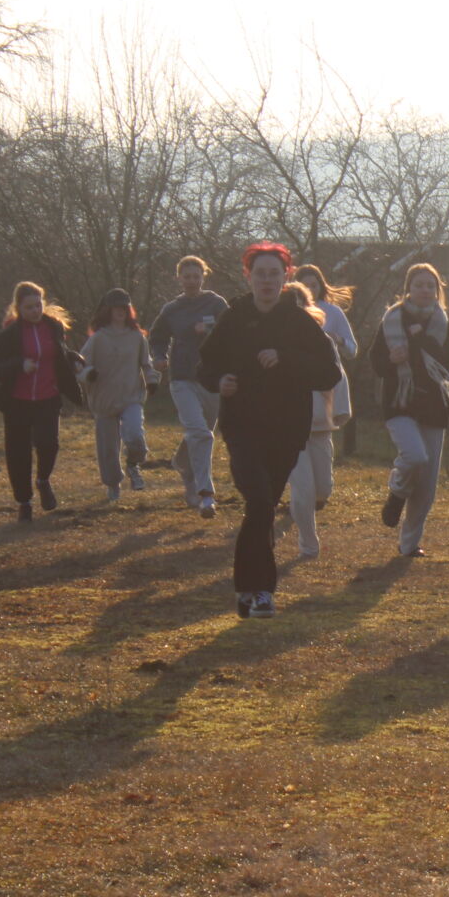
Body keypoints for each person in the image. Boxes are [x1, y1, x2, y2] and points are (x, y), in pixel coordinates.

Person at [197, 242, 342, 619]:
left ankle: (247, 590)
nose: (266, 280)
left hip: (286, 430)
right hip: (242, 428)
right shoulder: (234, 317)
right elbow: (206, 366)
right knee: (260, 501)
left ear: (285, 277)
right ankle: (261, 591)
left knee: (261, 509)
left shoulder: (299, 323)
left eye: (273, 274)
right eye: (259, 274)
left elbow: (330, 373)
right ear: (248, 276)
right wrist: (220, 381)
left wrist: (286, 358)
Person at [370, 262, 449, 558]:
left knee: (427, 486)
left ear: (437, 290)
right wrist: (392, 360)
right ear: (408, 288)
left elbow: (447, 367)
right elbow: (376, 363)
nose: (425, 290)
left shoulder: (443, 324)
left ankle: (409, 544)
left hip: (433, 407)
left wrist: (420, 339)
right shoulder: (392, 320)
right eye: (419, 285)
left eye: (430, 286)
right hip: (400, 403)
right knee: (415, 456)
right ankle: (397, 492)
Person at [0, 282, 84, 522]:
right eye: (29, 307)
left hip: (48, 397)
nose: (35, 311)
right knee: (18, 453)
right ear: (18, 308)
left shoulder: (53, 327)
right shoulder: (9, 335)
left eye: (38, 305)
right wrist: (19, 365)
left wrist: (74, 359)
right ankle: (24, 502)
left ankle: (43, 480)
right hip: (17, 402)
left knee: (49, 444)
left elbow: (60, 353)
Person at [149, 256, 230, 518]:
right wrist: (159, 357)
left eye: (196, 276)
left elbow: (231, 331)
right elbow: (157, 337)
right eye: (187, 277)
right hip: (182, 377)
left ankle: (182, 462)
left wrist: (208, 328)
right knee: (201, 433)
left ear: (203, 277)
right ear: (179, 278)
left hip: (211, 378)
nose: (192, 281)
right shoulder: (172, 309)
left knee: (202, 432)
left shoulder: (216, 303)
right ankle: (205, 494)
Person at [282, 281, 348, 559]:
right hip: (287, 428)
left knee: (323, 488)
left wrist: (340, 412)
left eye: (299, 307)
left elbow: (338, 376)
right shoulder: (273, 344)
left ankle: (311, 508)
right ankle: (308, 543)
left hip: (320, 425)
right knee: (303, 489)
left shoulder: (322, 342)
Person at [81, 288, 156, 500]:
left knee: (135, 436)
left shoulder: (137, 337)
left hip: (131, 397)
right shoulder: (98, 338)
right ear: (108, 310)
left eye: (124, 307)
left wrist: (152, 381)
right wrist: (88, 373)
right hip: (104, 400)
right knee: (108, 449)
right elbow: (80, 365)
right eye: (116, 307)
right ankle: (113, 485)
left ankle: (133, 464)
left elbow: (146, 363)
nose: (120, 311)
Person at [292, 263, 360, 438]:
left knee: (321, 435)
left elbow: (352, 350)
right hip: (297, 382)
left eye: (314, 285)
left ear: (321, 286)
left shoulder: (333, 312)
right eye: (305, 286)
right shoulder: (290, 312)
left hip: (325, 382)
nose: (310, 290)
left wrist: (338, 339)